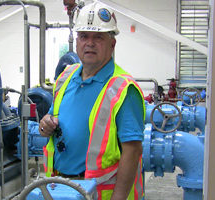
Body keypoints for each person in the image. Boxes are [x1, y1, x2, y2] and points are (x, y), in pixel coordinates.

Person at [39, 2, 145, 200]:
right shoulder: (65, 77)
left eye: (98, 37)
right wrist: (45, 124)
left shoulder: (123, 89)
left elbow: (132, 150)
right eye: (84, 36)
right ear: (77, 41)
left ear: (112, 44)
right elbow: (51, 118)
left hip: (100, 194)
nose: (90, 43)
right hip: (60, 188)